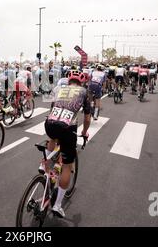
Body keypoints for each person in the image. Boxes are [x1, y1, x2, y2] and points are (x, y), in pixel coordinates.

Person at [43, 70, 91, 218]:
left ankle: (46, 165)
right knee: (67, 166)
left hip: (50, 123)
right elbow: (88, 118)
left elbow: (52, 107)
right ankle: (57, 205)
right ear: (81, 82)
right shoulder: (84, 91)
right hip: (67, 127)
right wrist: (84, 131)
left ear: (68, 80)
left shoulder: (58, 88)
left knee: (53, 138)